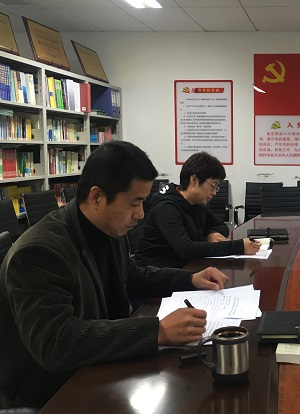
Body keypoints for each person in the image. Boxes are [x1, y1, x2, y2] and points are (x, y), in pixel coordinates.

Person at [0, 141, 230, 409]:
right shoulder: (39, 251)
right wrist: (156, 331)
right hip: (49, 390)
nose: (140, 214)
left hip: (96, 365)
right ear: (97, 197)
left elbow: (131, 277)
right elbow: (56, 343)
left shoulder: (107, 228)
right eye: (135, 202)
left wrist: (189, 279)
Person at [134, 152, 260, 269]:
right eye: (213, 186)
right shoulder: (166, 208)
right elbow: (186, 249)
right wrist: (239, 246)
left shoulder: (196, 204)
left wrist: (210, 233)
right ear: (194, 180)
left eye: (217, 188)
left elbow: (222, 226)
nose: (214, 192)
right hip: (155, 272)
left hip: (183, 267)